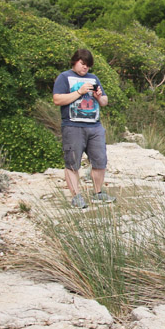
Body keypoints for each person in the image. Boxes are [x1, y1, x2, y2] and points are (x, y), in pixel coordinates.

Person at [52, 49, 115, 209]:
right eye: (83, 64)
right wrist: (79, 92)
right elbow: (57, 99)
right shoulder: (64, 77)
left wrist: (98, 96)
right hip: (73, 126)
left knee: (100, 161)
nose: (85, 68)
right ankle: (76, 196)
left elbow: (105, 101)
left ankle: (98, 193)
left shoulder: (94, 78)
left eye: (88, 65)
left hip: (95, 126)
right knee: (72, 162)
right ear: (75, 61)